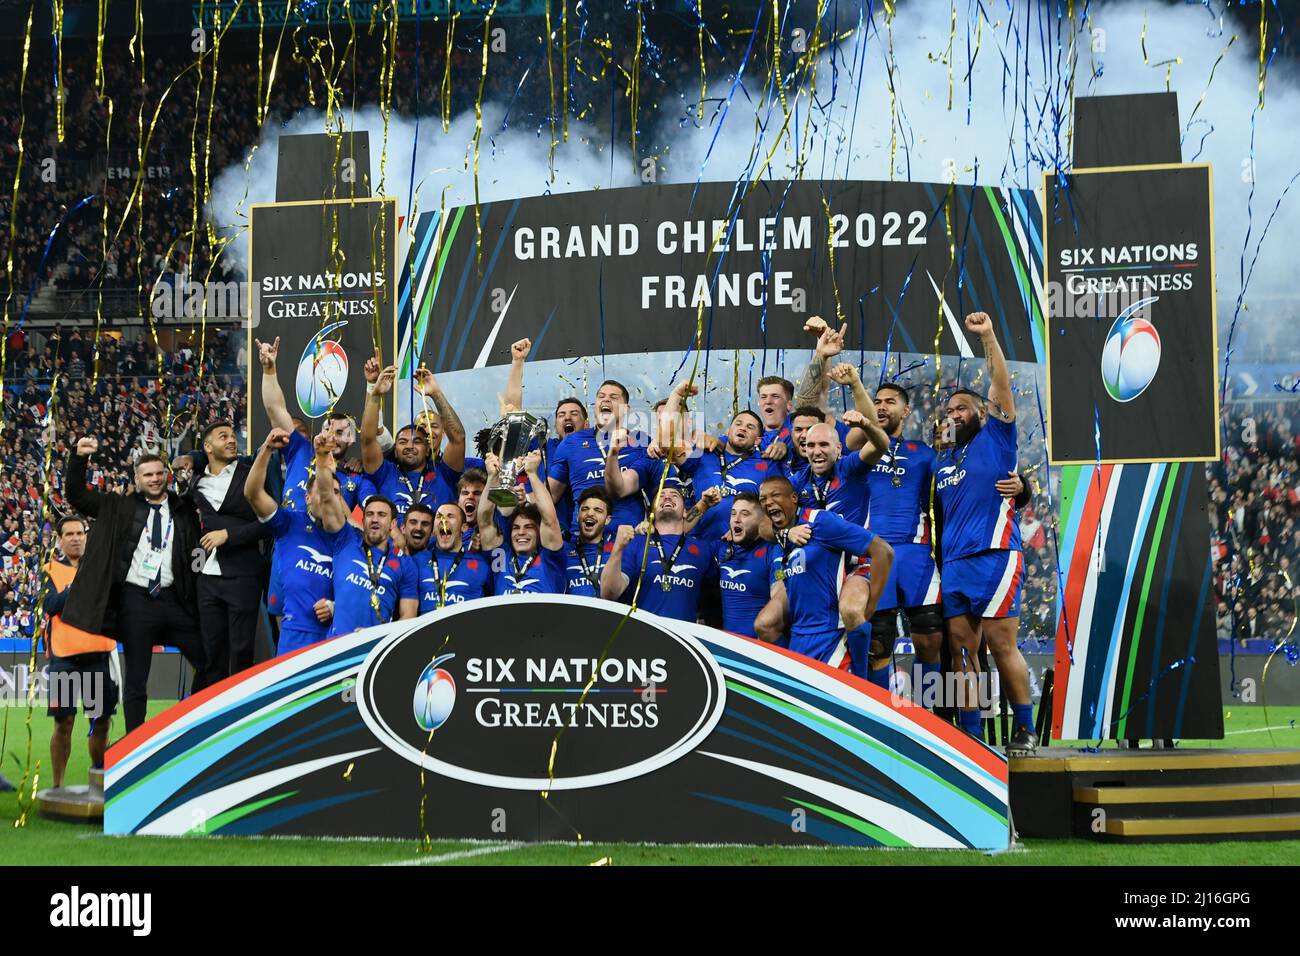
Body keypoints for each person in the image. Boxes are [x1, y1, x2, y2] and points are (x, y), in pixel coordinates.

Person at [935, 311, 1036, 753]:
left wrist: (989, 336)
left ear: (981, 412)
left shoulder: (996, 437)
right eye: (948, 410)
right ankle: (972, 739)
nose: (953, 414)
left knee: (999, 643)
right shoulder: (941, 461)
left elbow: (1000, 384)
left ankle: (1025, 729)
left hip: (995, 554)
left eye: (962, 408)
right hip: (954, 563)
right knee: (961, 650)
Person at [61, 439, 207, 733]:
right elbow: (77, 495)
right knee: (136, 679)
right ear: (137, 480)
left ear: (166, 476)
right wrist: (78, 458)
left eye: (158, 473)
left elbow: (196, 552)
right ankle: (135, 744)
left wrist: (198, 578)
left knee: (209, 661)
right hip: (135, 602)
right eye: (147, 475)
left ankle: (193, 725)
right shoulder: (118, 507)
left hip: (174, 599)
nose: (154, 479)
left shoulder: (183, 508)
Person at [754, 475, 894, 667]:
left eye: (775, 495)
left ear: (794, 498)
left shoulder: (821, 521)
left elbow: (883, 551)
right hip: (798, 639)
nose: (768, 502)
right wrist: (785, 535)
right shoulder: (781, 535)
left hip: (829, 638)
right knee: (764, 624)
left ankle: (861, 677)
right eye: (763, 499)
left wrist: (870, 607)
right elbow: (763, 529)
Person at [186, 420, 272, 686]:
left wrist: (229, 536)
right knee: (210, 653)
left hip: (243, 575)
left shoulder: (251, 475)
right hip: (206, 578)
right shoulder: (195, 484)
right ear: (208, 447)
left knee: (241, 652)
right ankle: (205, 718)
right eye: (223, 436)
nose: (232, 440)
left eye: (233, 436)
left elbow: (268, 522)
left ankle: (240, 718)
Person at [312, 433, 420, 636]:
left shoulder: (405, 565)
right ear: (363, 520)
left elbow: (409, 617)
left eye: (381, 515)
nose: (375, 519)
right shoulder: (346, 540)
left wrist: (375, 635)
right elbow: (327, 495)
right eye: (369, 514)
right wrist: (321, 457)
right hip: (334, 648)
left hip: (375, 652)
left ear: (393, 524)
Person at [244, 429, 340, 655]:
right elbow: (252, 493)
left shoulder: (349, 536)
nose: (328, 497)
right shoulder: (289, 522)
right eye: (322, 491)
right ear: (306, 498)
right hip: (294, 637)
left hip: (336, 638)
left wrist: (337, 607)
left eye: (336, 492)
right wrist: (266, 449)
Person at [42, 516, 118, 788]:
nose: (76, 538)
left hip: (96, 657)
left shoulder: (102, 568)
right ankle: (58, 786)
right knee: (63, 723)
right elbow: (50, 604)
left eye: (80, 533)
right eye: (69, 534)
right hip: (64, 659)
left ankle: (99, 780)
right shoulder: (49, 569)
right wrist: (78, 588)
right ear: (60, 539)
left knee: (100, 722)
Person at [664, 380, 787, 541]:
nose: (743, 428)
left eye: (750, 427)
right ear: (728, 430)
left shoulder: (766, 464)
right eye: (738, 424)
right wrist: (676, 395)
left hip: (743, 549)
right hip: (700, 544)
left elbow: (778, 509)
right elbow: (666, 443)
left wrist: (753, 531)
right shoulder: (704, 453)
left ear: (758, 440)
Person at [362, 363, 467, 520]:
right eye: (403, 441)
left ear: (427, 448)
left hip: (438, 544)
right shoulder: (384, 473)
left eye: (417, 441)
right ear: (395, 450)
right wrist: (375, 394)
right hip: (394, 545)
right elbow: (368, 439)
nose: (409, 446)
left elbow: (458, 439)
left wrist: (436, 394)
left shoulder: (445, 473)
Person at [601, 480, 718, 622]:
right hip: (643, 636)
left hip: (685, 639)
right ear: (652, 512)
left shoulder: (703, 549)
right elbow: (608, 594)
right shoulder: (636, 543)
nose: (667, 497)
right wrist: (618, 549)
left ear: (686, 512)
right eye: (661, 496)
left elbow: (714, 601)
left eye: (674, 495)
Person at [548, 379, 649, 536]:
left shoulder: (641, 441)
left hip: (629, 538)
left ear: (626, 409)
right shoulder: (571, 442)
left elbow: (661, 492)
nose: (606, 399)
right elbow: (551, 496)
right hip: (583, 542)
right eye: (601, 396)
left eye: (614, 397)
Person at [480, 450, 568, 594]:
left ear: (539, 533)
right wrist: (492, 478)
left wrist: (532, 475)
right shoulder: (500, 557)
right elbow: (484, 522)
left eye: (529, 527)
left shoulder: (550, 559)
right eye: (516, 528)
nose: (521, 532)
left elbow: (550, 519)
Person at [715, 493, 779, 639]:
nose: (736, 519)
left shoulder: (773, 551)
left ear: (762, 520)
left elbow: (780, 591)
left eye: (745, 514)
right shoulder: (722, 549)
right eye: (733, 514)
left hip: (760, 649)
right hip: (729, 649)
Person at [417, 503, 492, 611]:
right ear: (433, 528)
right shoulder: (418, 561)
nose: (444, 520)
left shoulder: (481, 566)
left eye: (450, 516)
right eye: (439, 517)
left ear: (464, 527)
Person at [563, 487, 614, 598]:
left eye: (598, 510)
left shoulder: (617, 551)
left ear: (608, 519)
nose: (590, 513)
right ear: (577, 516)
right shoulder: (564, 551)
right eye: (585, 509)